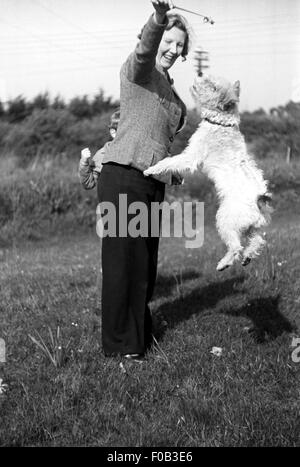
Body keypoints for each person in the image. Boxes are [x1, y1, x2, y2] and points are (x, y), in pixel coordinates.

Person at [97, 0, 191, 362]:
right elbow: (143, 52)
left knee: (145, 264)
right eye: (169, 40)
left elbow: (159, 140)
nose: (174, 49)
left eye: (180, 45)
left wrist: (172, 167)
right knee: (124, 260)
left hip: (151, 183)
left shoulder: (171, 92)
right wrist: (157, 20)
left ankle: (139, 334)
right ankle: (121, 344)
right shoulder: (139, 72)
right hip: (122, 175)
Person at [78, 108, 120, 190]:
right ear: (113, 133)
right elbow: (89, 183)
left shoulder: (138, 151)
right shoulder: (102, 154)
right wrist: (84, 162)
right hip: (110, 201)